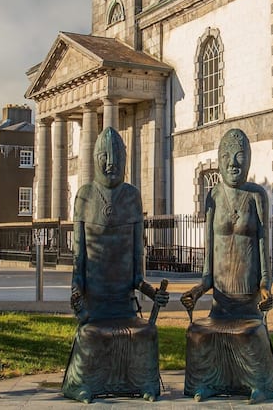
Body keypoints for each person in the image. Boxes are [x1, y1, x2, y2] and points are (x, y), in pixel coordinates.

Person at [61, 127, 169, 403]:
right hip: (96, 305)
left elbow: (136, 272)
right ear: (95, 158)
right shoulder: (84, 196)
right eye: (104, 157)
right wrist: (77, 293)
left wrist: (152, 292)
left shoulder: (132, 197)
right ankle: (81, 385)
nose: (111, 163)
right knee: (91, 335)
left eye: (116, 157)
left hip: (123, 304)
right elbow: (79, 260)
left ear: (124, 159)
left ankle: (141, 383)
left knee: (144, 333)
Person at [180, 128, 273, 403]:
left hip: (248, 305)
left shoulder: (256, 197)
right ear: (219, 159)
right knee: (201, 333)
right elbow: (208, 265)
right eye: (226, 157)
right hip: (220, 305)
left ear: (248, 160)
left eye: (239, 157)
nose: (232, 164)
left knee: (249, 333)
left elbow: (263, 250)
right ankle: (207, 382)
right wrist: (198, 289)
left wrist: (265, 289)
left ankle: (258, 384)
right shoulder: (213, 197)